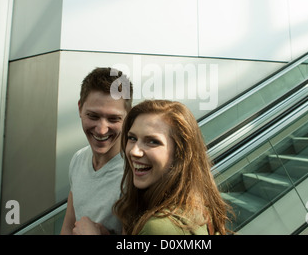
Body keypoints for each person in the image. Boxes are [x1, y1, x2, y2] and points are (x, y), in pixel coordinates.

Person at [73, 100, 231, 235]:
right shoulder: (197, 205)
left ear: (180, 154)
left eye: (153, 141)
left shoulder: (158, 227)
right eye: (132, 138)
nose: (134, 151)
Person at [60, 67, 133, 235]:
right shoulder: (78, 159)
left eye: (113, 118)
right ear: (80, 109)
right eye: (93, 116)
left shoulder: (136, 173)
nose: (101, 130)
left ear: (128, 116)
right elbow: (68, 226)